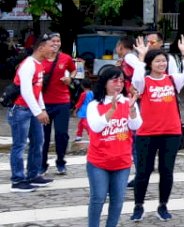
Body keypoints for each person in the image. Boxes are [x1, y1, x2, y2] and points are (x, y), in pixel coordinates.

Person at [129, 34, 184, 221]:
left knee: (167, 172)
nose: (162, 64)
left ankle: (163, 205)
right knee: (143, 172)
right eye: (157, 61)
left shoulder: (173, 80)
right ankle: (138, 206)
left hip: (171, 133)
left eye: (163, 61)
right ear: (150, 64)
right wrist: (141, 57)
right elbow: (136, 80)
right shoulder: (144, 82)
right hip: (147, 133)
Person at [85, 66, 141, 227]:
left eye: (122, 81)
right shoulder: (94, 104)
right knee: (98, 198)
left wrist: (132, 110)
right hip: (99, 161)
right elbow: (96, 127)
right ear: (105, 83)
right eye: (114, 80)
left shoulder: (127, 101)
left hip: (122, 161)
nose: (119, 84)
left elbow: (136, 125)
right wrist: (112, 110)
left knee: (117, 200)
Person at [9, 34, 55, 192]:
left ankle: (33, 175)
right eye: (51, 46)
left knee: (38, 142)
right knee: (20, 145)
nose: (53, 49)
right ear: (41, 48)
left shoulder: (39, 65)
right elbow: (26, 91)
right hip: (21, 110)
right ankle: (17, 180)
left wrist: (41, 109)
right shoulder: (28, 64)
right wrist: (38, 111)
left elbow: (38, 90)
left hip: (32, 109)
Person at [39, 32, 76, 177]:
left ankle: (61, 161)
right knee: (44, 136)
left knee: (61, 134)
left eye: (58, 41)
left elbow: (73, 71)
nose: (55, 43)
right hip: (44, 103)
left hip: (62, 101)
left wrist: (69, 78)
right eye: (52, 41)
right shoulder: (40, 59)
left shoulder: (65, 58)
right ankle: (42, 164)